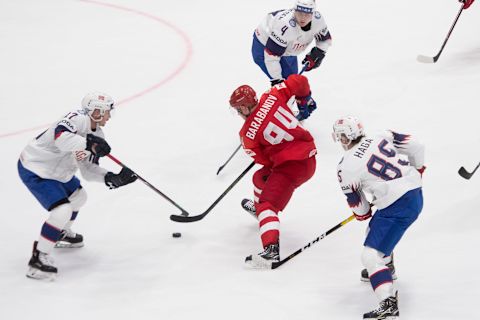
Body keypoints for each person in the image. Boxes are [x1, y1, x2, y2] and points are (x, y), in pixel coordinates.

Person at [18, 91, 138, 280]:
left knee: (79, 197)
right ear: (96, 111)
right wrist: (88, 143)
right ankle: (38, 259)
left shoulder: (98, 134)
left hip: (58, 172)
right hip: (36, 167)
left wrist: (111, 178)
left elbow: (88, 170)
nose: (108, 116)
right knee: (61, 210)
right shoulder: (76, 118)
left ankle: (60, 234)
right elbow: (61, 138)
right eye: (107, 112)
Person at [332, 116, 425, 320]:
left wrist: (362, 213)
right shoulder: (382, 136)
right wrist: (417, 172)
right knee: (374, 231)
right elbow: (417, 147)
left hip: (397, 206)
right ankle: (387, 268)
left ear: (345, 137)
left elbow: (361, 209)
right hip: (415, 194)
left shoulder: (345, 167)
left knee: (370, 256)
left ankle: (388, 304)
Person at [229, 74, 318, 268]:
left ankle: (271, 251)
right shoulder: (272, 95)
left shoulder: (246, 135)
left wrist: (273, 153)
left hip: (292, 168)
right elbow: (299, 81)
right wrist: (304, 101)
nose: (238, 114)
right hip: (308, 157)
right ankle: (259, 211)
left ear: (244, 107)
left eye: (238, 110)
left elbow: (263, 160)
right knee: (260, 178)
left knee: (268, 204)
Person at [252, 0, 332, 86]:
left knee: (292, 81)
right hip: (263, 44)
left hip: (287, 46)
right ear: (294, 11)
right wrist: (277, 80)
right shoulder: (285, 26)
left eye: (307, 14)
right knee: (288, 85)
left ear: (313, 14)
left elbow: (324, 39)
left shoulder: (318, 20)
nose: (303, 18)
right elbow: (271, 56)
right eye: (300, 13)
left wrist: (319, 52)